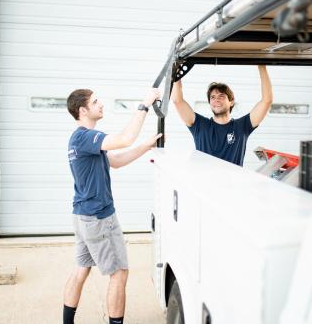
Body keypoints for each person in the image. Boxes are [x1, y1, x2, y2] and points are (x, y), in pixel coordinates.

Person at [63, 87, 161, 324]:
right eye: (96, 102)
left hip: (82, 216)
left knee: (81, 270)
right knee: (119, 274)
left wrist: (145, 147)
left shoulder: (82, 141)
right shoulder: (85, 137)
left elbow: (115, 161)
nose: (101, 104)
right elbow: (125, 139)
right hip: (98, 218)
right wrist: (144, 104)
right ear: (83, 110)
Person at [171, 65, 273, 166]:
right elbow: (177, 101)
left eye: (221, 96)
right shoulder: (199, 125)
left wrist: (261, 66)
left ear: (231, 102)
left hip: (232, 182)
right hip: (203, 182)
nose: (216, 100)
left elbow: (266, 101)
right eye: (213, 97)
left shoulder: (242, 126)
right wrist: (176, 73)